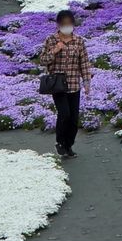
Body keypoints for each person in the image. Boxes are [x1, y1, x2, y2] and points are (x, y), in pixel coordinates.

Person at [38, 10, 92, 160]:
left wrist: (87, 81)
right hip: (59, 85)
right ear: (58, 25)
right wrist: (55, 50)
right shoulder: (51, 40)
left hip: (74, 84)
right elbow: (42, 60)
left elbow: (84, 63)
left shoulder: (79, 41)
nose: (67, 27)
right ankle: (60, 143)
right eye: (64, 25)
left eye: (69, 24)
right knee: (64, 114)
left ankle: (69, 146)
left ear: (73, 25)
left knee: (74, 119)